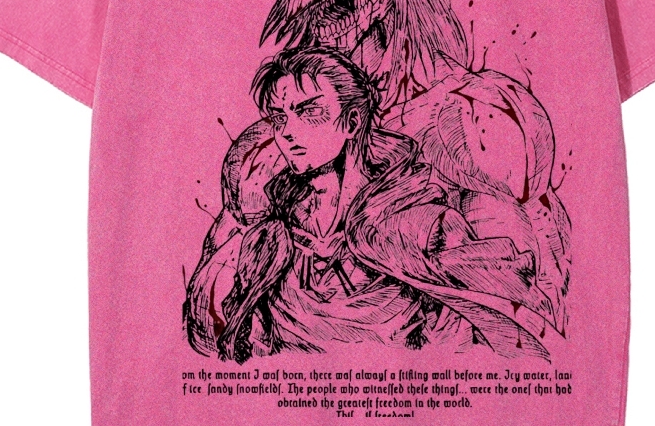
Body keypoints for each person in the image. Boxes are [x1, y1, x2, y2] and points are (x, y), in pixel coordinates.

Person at [184, 47, 548, 363]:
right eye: (280, 118)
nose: (289, 131)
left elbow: (476, 333)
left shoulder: (422, 222)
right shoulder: (270, 236)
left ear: (352, 121)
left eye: (308, 111)